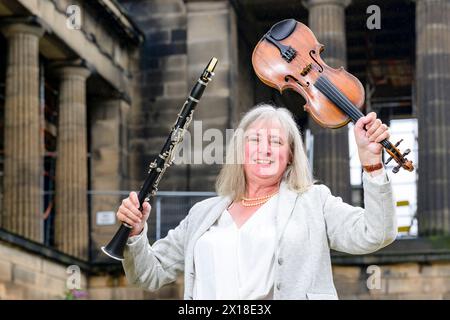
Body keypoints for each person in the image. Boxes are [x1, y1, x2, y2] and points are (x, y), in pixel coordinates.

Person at [118, 104, 397, 300]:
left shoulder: (313, 201)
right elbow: (148, 275)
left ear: (289, 155)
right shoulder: (202, 214)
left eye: (275, 142)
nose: (264, 150)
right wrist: (136, 233)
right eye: (255, 140)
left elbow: (374, 234)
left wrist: (372, 166)